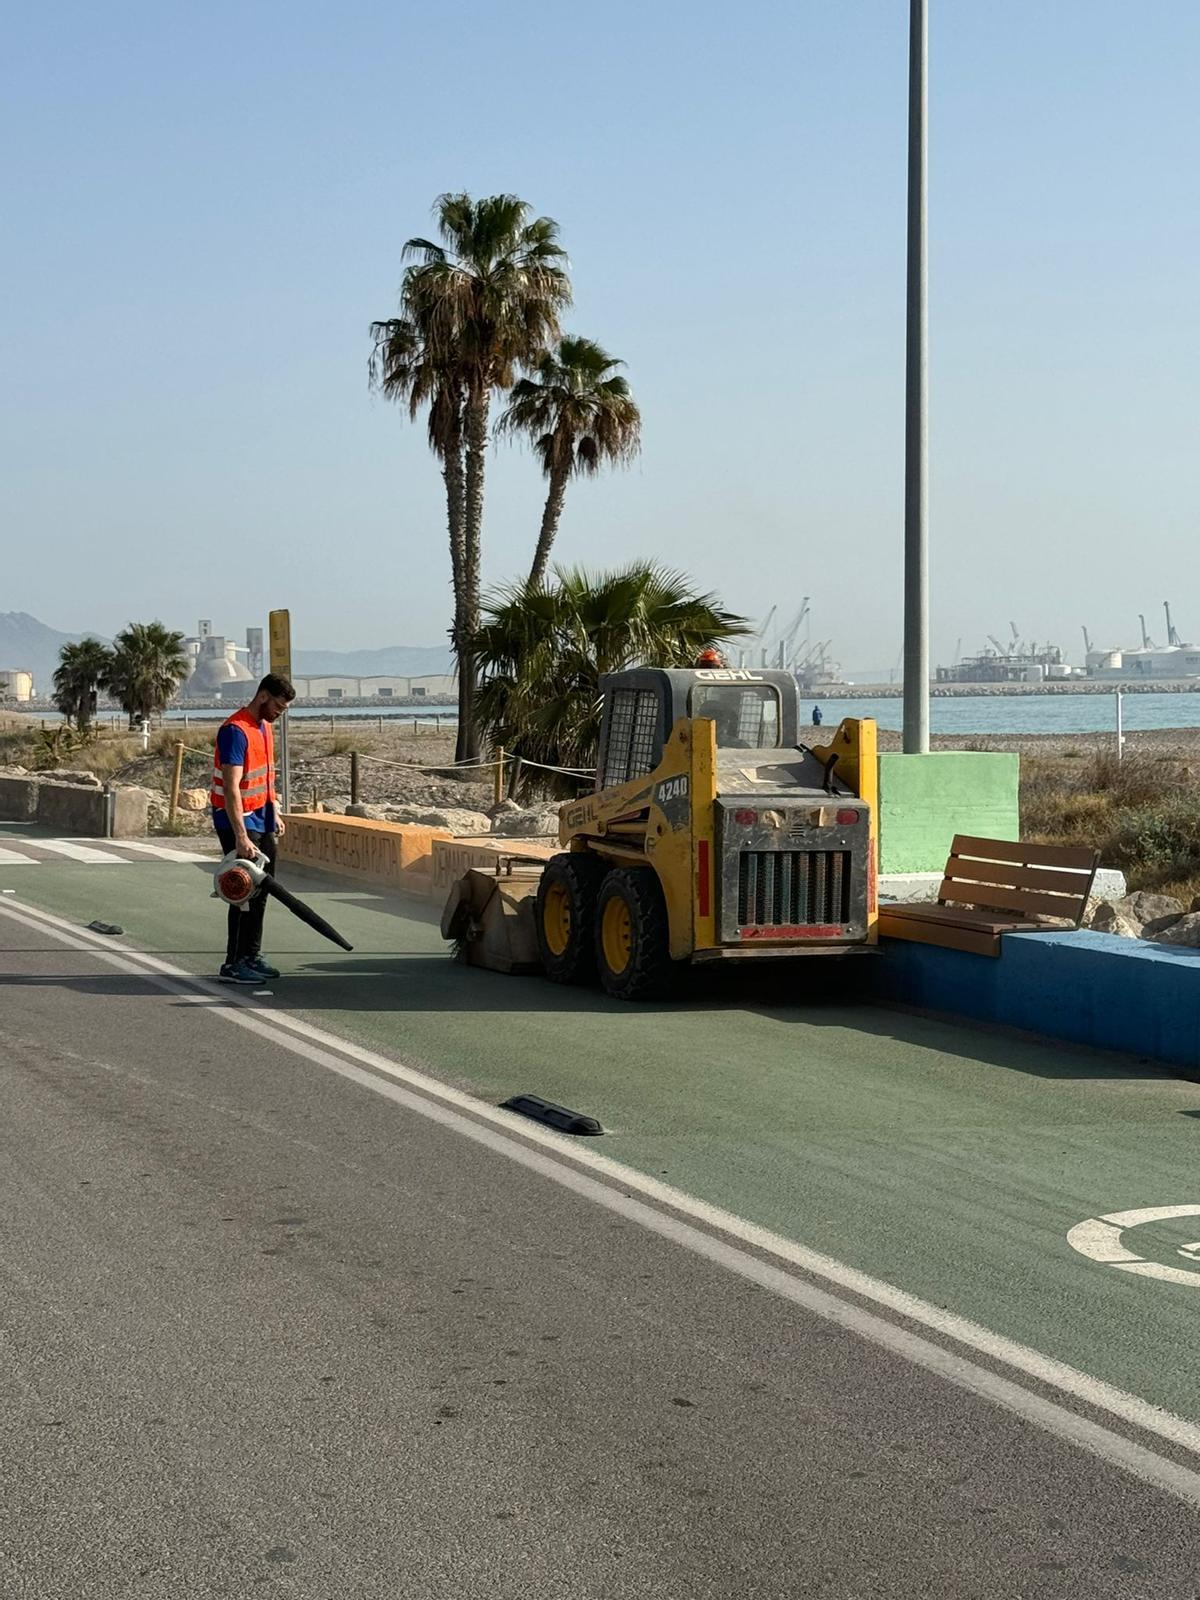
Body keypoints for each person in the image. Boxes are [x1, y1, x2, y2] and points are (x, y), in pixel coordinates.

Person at [210, 673, 295, 984]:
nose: (279, 712)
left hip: (263, 818)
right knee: (242, 891)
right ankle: (233, 963)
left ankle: (251, 955)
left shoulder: (265, 728)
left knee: (261, 893)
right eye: (278, 706)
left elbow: (266, 777)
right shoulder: (235, 730)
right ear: (263, 696)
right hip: (237, 822)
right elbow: (232, 788)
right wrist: (241, 836)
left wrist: (275, 812)